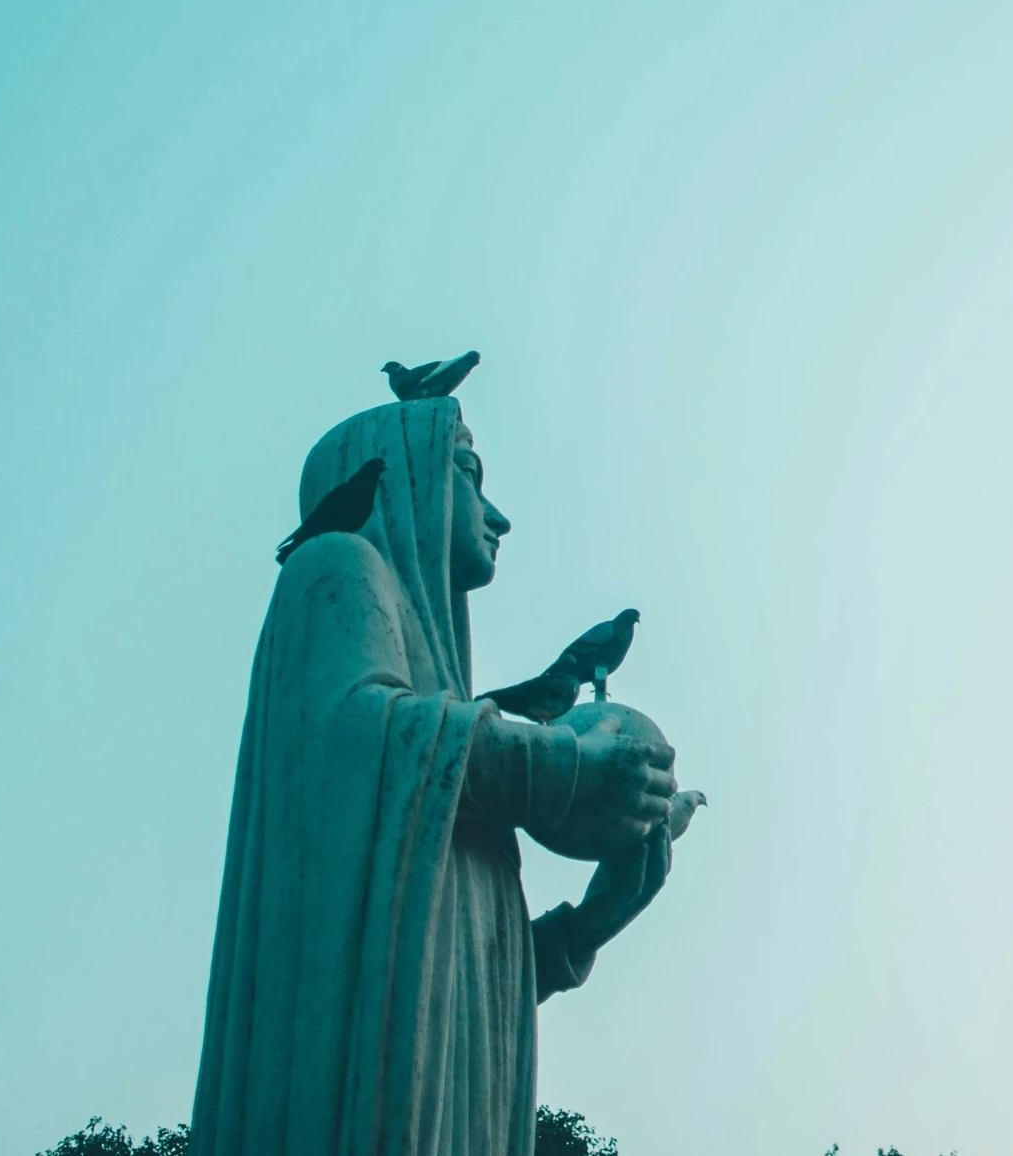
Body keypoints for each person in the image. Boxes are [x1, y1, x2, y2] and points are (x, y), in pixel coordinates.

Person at [190, 395, 676, 1156]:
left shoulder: (436, 710)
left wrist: (585, 927)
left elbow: (448, 977)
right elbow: (356, 736)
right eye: (468, 475)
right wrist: (563, 768)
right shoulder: (335, 566)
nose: (497, 515)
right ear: (404, 476)